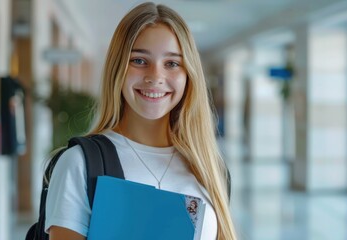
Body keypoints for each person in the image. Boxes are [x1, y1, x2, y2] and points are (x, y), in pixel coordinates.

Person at [45, 2, 237, 240]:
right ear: (118, 68)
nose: (155, 77)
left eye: (172, 64)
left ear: (188, 75)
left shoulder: (209, 169)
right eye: (139, 60)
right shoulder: (81, 164)